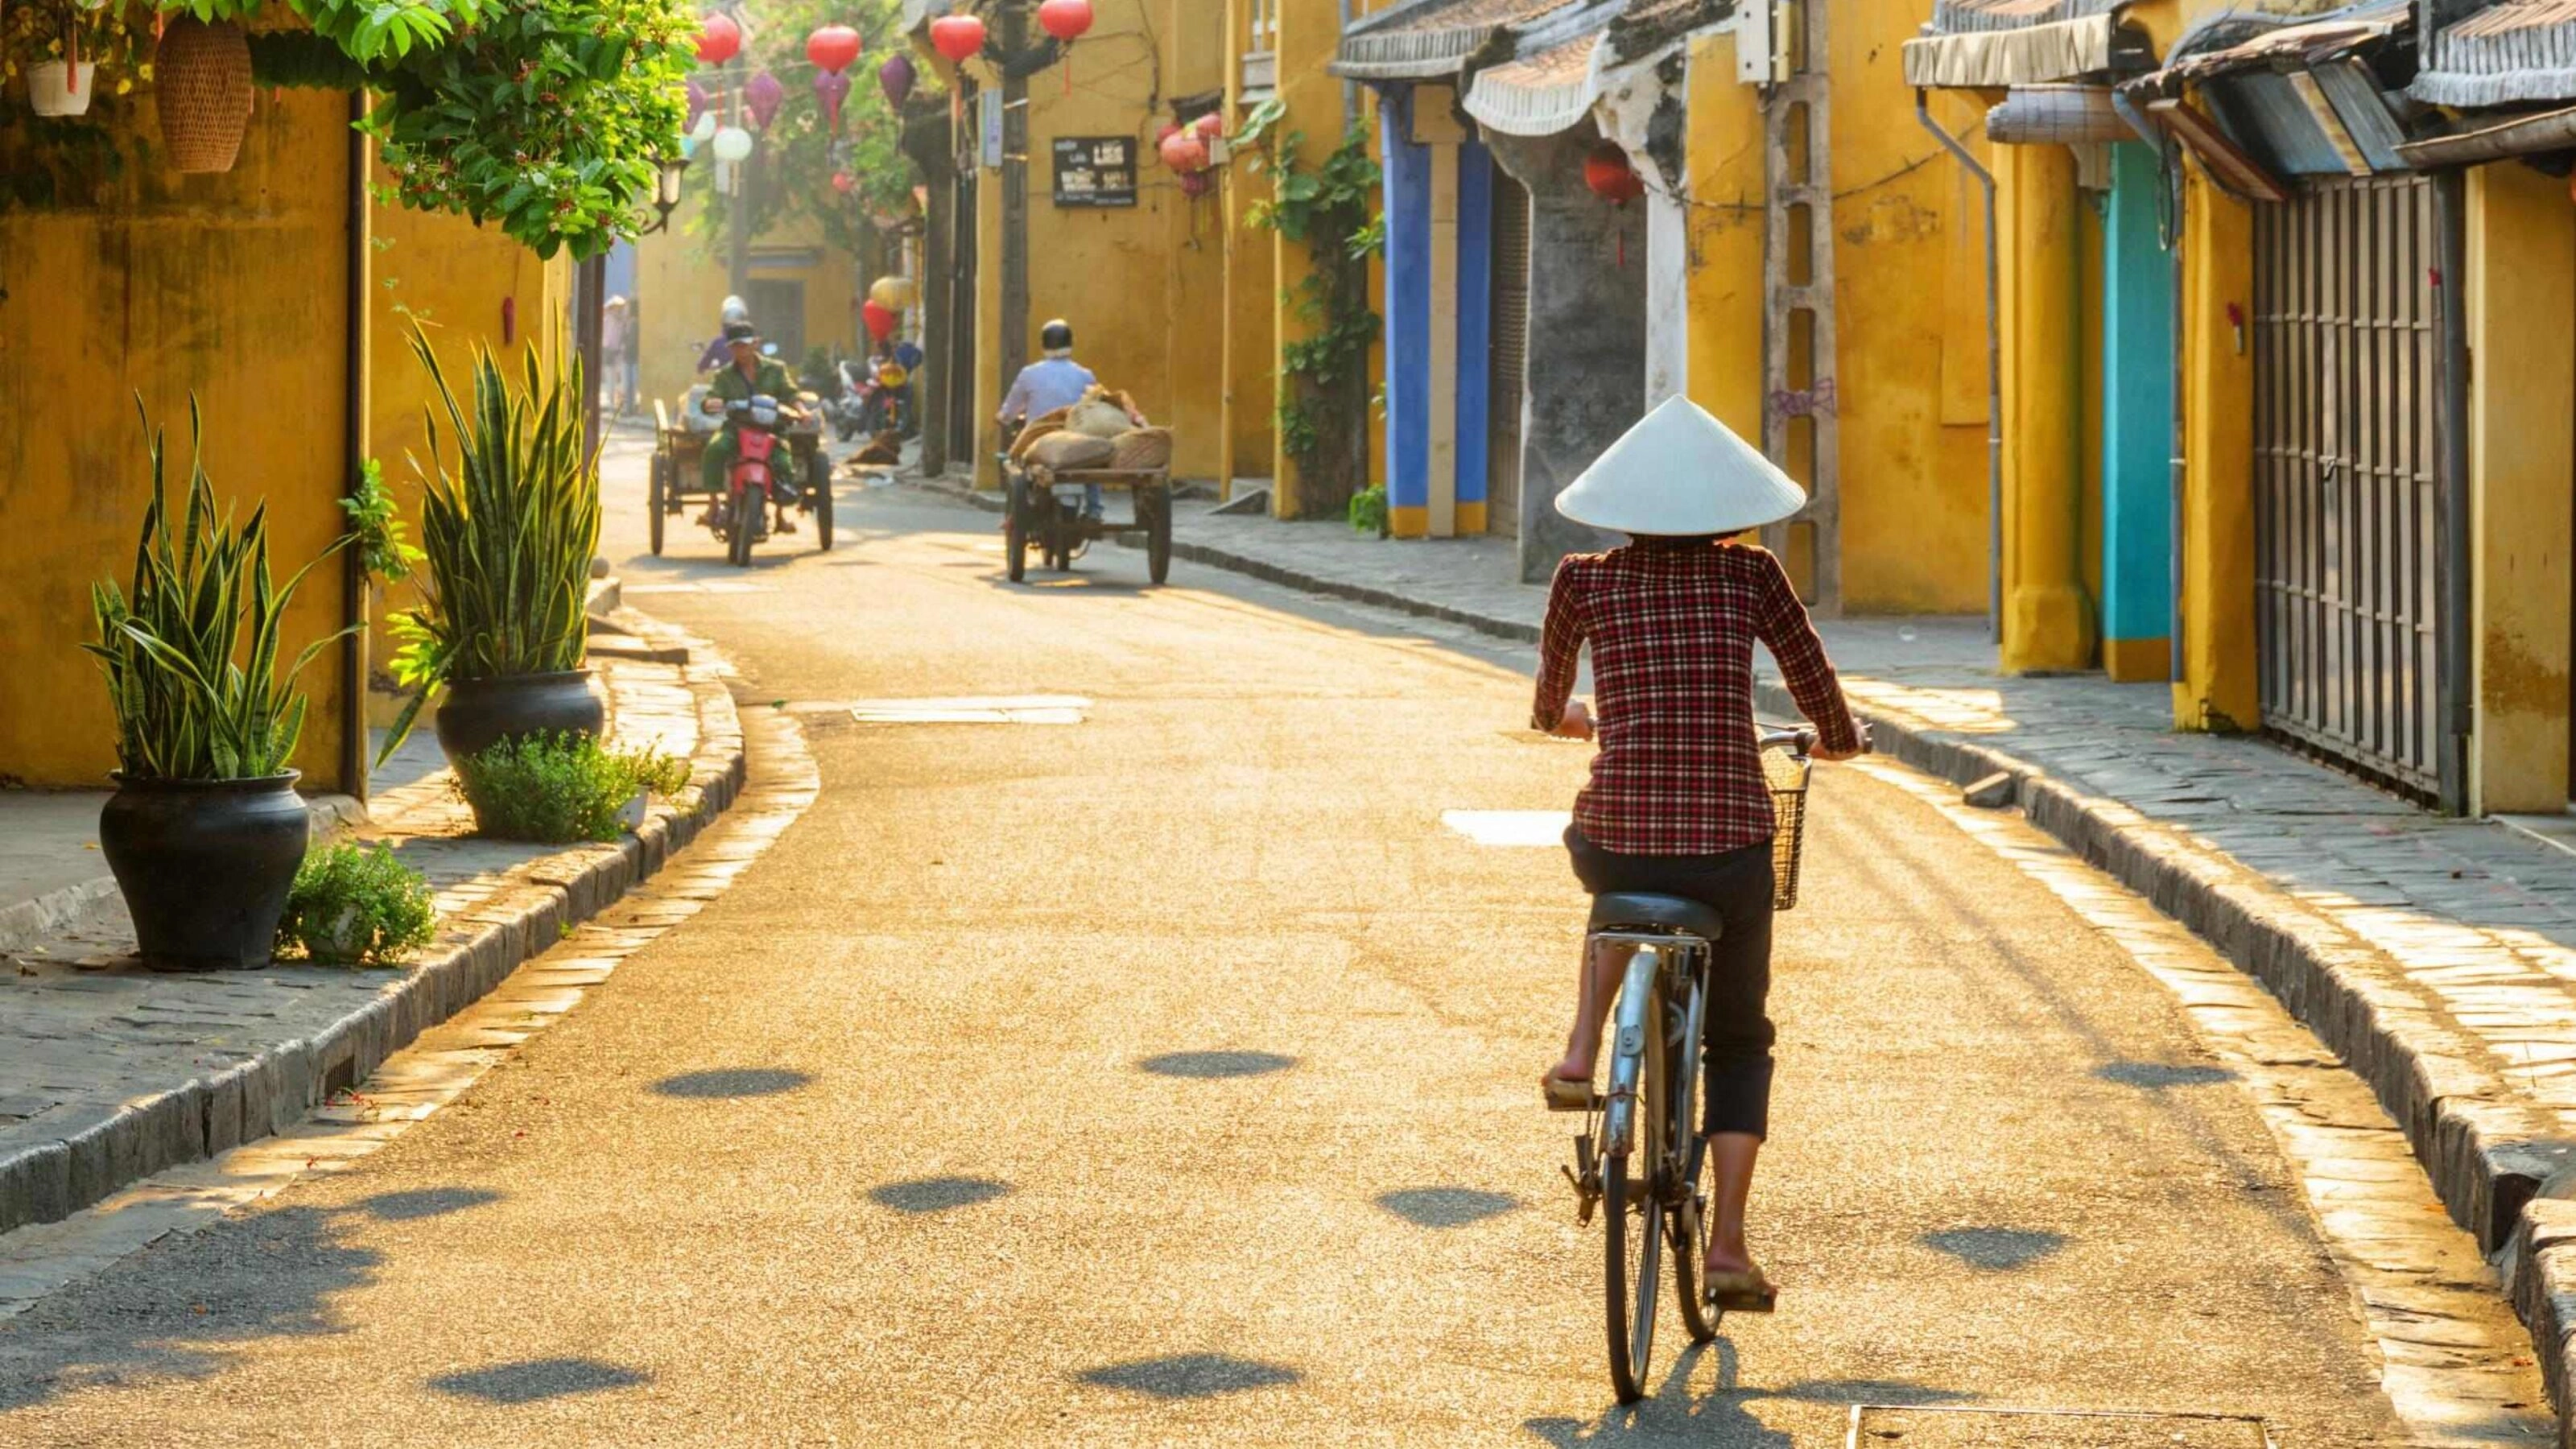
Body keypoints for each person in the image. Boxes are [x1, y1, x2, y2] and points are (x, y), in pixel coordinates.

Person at [1528, 395, 1863, 1314]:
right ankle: (1725, 1248)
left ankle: (1578, 1051)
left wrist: (1575, 719)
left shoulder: (1582, 580)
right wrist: (1836, 737)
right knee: (1737, 1039)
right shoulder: (1749, 578)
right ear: (1725, 506)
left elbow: (1546, 702)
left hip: (1616, 837)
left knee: (1616, 896)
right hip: (1726, 846)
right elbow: (1815, 687)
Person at [997, 318, 1137, 520]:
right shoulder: (1085, 375)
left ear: (1043, 344)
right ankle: (1094, 510)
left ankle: (1023, 509)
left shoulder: (1029, 374)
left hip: (1041, 440)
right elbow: (1094, 404)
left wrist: (1003, 417)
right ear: (1070, 344)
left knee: (1021, 464)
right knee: (1092, 461)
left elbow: (1010, 410)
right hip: (1076, 438)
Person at [700, 322, 807, 518]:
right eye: (735, 346)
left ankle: (779, 514)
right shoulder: (723, 375)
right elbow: (712, 396)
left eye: (744, 344)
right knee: (715, 449)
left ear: (755, 343)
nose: (740, 349)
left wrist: (802, 411)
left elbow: (792, 394)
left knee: (783, 464)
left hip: (772, 430)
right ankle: (713, 502)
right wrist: (709, 403)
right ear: (730, 348)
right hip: (736, 428)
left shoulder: (777, 369)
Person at [695, 295, 753, 374]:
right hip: (747, 382)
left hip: (727, 382)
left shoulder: (718, 342)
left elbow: (702, 366)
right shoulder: (751, 341)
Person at [601, 295, 633, 415]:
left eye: (620, 308)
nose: (618, 310)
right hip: (609, 351)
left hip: (618, 352)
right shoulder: (607, 320)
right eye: (617, 308)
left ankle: (618, 403)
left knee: (619, 380)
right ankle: (611, 403)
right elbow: (605, 338)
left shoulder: (622, 322)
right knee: (610, 379)